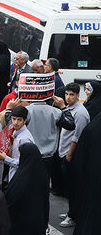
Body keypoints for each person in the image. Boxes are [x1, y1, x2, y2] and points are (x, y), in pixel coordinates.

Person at [56, 82, 90, 228]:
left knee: (73, 187)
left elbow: (77, 136)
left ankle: (73, 215)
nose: (68, 97)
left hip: (71, 155)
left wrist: (69, 154)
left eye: (71, 95)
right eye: (66, 94)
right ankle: (71, 211)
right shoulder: (69, 108)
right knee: (68, 187)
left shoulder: (80, 113)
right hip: (63, 151)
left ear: (78, 95)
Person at [4, 144, 49, 235]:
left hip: (21, 223)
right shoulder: (42, 174)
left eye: (20, 153)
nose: (19, 156)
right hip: (37, 221)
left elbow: (11, 198)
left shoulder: (21, 177)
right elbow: (45, 201)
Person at [0, 105, 34, 181]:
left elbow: (22, 163)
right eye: (14, 119)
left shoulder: (24, 139)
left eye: (19, 120)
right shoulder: (16, 133)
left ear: (25, 120)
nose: (16, 122)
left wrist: (5, 158)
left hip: (19, 178)